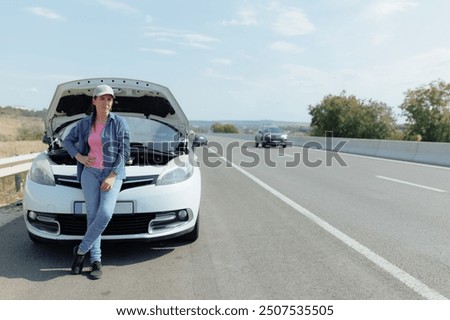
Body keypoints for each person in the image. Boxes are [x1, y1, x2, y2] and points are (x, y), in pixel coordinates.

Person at [63, 84, 130, 280]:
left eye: (109, 99)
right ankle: (96, 261)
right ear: (94, 101)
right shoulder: (84, 124)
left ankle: (81, 251)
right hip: (90, 173)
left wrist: (112, 175)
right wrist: (79, 157)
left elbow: (124, 152)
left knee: (105, 214)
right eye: (102, 98)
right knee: (92, 216)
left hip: (112, 174)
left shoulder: (119, 123)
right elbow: (67, 141)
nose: (106, 102)